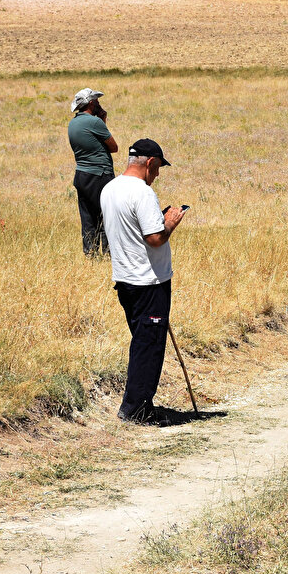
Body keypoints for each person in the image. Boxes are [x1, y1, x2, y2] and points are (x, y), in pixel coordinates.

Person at [100, 139, 185, 425]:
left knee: (141, 341)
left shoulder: (109, 188)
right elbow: (155, 238)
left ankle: (140, 405)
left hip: (125, 279)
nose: (158, 174)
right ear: (150, 162)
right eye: (158, 167)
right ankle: (135, 409)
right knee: (148, 346)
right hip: (149, 281)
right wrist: (171, 221)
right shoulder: (143, 193)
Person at [68, 88, 118, 257]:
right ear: (91, 103)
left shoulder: (73, 123)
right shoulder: (94, 122)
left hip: (81, 175)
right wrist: (103, 121)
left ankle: (90, 253)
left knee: (88, 217)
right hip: (100, 175)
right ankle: (109, 253)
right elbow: (114, 147)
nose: (98, 103)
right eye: (96, 101)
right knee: (107, 215)